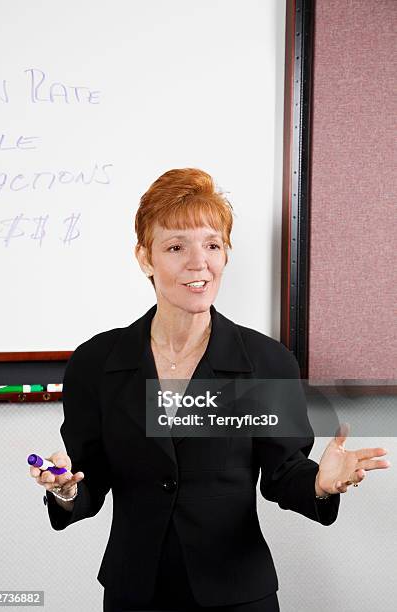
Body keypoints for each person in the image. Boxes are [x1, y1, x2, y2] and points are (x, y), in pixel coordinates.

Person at [30, 168, 391, 612]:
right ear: (145, 258)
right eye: (176, 246)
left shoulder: (265, 362)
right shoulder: (97, 363)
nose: (198, 262)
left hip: (237, 593)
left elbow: (283, 475)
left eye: (212, 245)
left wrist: (320, 482)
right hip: (135, 593)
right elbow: (88, 477)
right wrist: (64, 490)